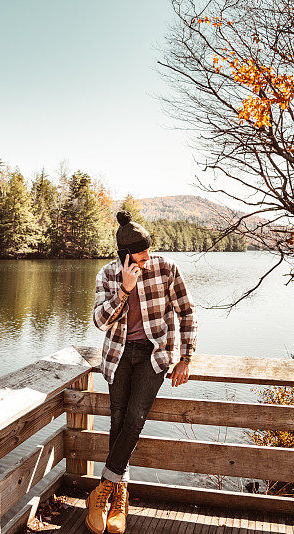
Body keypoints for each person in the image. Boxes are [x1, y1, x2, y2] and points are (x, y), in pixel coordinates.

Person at [86, 210, 198, 534]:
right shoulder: (107, 275)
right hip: (118, 355)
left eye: (148, 249)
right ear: (125, 255)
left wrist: (186, 358)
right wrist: (124, 289)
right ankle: (119, 497)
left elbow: (187, 312)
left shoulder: (166, 269)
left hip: (154, 355)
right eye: (140, 252)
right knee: (118, 422)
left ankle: (101, 492)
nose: (146, 256)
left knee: (135, 418)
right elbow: (99, 322)